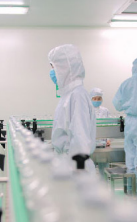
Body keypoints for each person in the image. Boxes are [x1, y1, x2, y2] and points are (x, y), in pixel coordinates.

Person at [48, 44, 97, 173]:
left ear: (65, 68)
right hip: (67, 164)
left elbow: (80, 139)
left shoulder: (77, 95)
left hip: (75, 168)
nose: (52, 72)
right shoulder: (67, 95)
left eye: (54, 67)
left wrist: (78, 173)